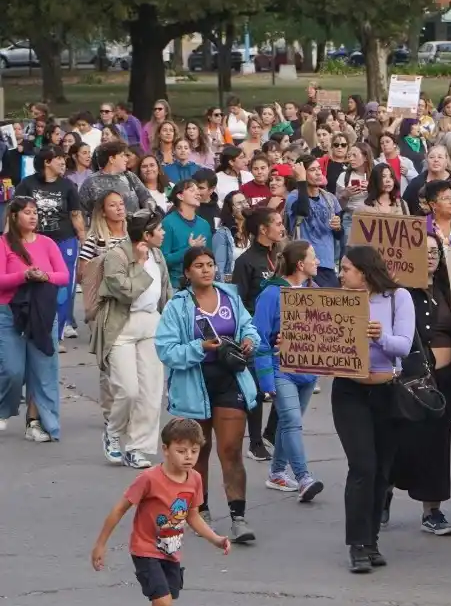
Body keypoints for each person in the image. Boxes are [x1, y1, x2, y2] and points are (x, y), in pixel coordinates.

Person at [90, 417, 231, 606]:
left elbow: (193, 516)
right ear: (165, 449)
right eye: (181, 450)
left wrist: (215, 539)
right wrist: (100, 544)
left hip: (172, 552)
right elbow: (120, 509)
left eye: (194, 451)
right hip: (145, 549)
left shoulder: (195, 479)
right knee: (162, 602)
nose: (188, 457)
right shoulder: (149, 479)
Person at [155, 246, 260, 545]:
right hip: (193, 386)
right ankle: (199, 510)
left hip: (230, 381)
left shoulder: (229, 296)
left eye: (210, 265)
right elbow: (165, 350)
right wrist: (199, 348)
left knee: (230, 450)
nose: (206, 270)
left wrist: (250, 340)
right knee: (196, 452)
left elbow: (248, 325)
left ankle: (238, 517)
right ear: (187, 272)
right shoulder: (177, 307)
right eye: (199, 265)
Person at [332, 247, 415, 572]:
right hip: (349, 392)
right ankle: (356, 544)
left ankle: (372, 540)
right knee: (362, 466)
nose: (341, 274)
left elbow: (404, 346)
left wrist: (380, 336)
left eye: (347, 268)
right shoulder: (335, 299)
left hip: (386, 392)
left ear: (364, 271)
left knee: (382, 470)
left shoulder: (397, 298)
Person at [388, 201, 451, 536]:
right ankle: (384, 492)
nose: (431, 256)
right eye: (424, 250)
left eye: (435, 251)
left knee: (436, 443)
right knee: (400, 440)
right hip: (408, 379)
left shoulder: (450, 290)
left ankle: (432, 510)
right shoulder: (398, 292)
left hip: (443, 381)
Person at [93, 210, 170, 469]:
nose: (163, 233)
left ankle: (137, 448)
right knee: (128, 390)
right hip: (120, 325)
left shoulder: (158, 255)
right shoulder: (117, 255)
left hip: (152, 323)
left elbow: (166, 290)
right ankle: (113, 432)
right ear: (146, 235)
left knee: (150, 392)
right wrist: (138, 263)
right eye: (159, 230)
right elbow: (125, 291)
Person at [252, 240, 325, 502]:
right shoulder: (272, 294)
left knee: (287, 422)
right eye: (313, 257)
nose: (317, 262)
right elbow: (259, 335)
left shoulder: (314, 290)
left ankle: (277, 472)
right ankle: (304, 477)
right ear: (300, 264)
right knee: (292, 421)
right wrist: (265, 378)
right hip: (280, 367)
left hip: (308, 369)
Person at [0, 196, 67, 441]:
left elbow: (63, 276)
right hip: (10, 313)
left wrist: (44, 276)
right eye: (27, 212)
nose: (33, 216)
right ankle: (4, 409)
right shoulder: (4, 243)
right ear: (14, 216)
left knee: (43, 371)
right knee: (12, 370)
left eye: (35, 212)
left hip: (42, 312)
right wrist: (24, 275)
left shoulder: (47, 243)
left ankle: (37, 422)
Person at [16, 146, 85, 339]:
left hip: (65, 241)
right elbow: (15, 214)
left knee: (63, 288)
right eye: (59, 158)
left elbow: (76, 215)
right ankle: (34, 328)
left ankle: (58, 334)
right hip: (34, 242)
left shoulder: (68, 185)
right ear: (47, 162)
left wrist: (84, 240)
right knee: (36, 285)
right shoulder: (27, 184)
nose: (63, 162)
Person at [286, 157, 342, 287]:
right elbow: (303, 210)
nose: (318, 173)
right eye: (312, 170)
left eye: (319, 169)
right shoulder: (293, 197)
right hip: (304, 266)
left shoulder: (330, 198)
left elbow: (339, 236)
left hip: (327, 265)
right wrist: (301, 181)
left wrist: (338, 227)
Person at [159, 179, 214, 288]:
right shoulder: (168, 223)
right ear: (180, 196)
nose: (198, 193)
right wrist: (189, 249)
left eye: (198, 190)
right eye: (192, 190)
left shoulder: (204, 224)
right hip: (176, 286)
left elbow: (210, 257)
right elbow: (162, 260)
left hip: (201, 285)